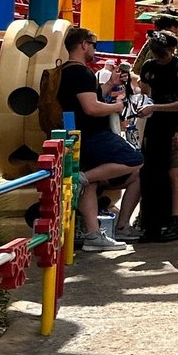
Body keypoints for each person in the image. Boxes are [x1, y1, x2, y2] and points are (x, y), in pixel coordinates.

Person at [56, 28, 141, 252]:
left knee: (91, 185)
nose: (95, 49)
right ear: (83, 44)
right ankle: (80, 178)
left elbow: (86, 99)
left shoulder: (65, 70)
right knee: (135, 159)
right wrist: (117, 106)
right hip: (92, 135)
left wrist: (109, 85)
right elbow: (91, 108)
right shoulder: (81, 73)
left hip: (74, 135)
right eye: (93, 44)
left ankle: (93, 235)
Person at [134, 29, 178, 242]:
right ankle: (150, 220)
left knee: (174, 173)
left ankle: (176, 219)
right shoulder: (149, 66)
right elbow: (145, 94)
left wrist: (155, 107)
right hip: (153, 126)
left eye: (163, 53)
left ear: (173, 49)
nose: (160, 57)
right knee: (151, 173)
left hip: (175, 126)